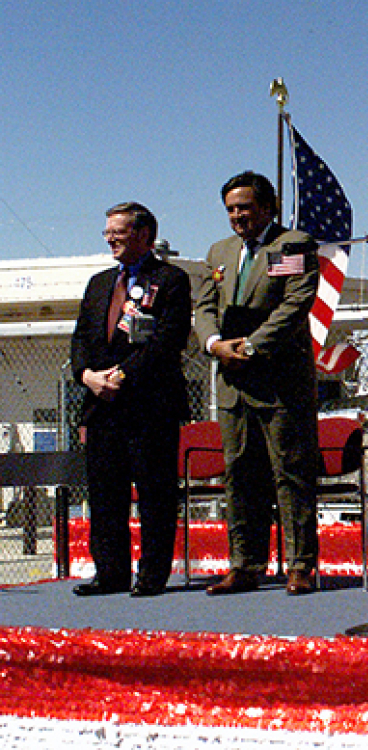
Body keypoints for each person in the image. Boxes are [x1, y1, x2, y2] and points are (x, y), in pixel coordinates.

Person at [194, 171, 322, 596]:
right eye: (231, 209)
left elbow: (294, 305)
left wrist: (249, 347)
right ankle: (245, 564)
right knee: (240, 474)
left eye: (245, 207)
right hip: (232, 384)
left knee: (289, 473)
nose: (237, 216)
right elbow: (205, 306)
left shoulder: (290, 246)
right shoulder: (220, 251)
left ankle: (300, 565)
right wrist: (214, 344)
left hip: (279, 383)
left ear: (267, 207)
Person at [69, 202, 192, 598]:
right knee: (106, 494)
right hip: (101, 407)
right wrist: (87, 377)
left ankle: (152, 575)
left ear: (144, 235)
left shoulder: (171, 280)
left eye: (117, 231)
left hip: (149, 407)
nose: (109, 239)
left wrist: (119, 377)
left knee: (155, 494)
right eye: (107, 231)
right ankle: (111, 573)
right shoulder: (98, 283)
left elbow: (165, 342)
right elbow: (81, 339)